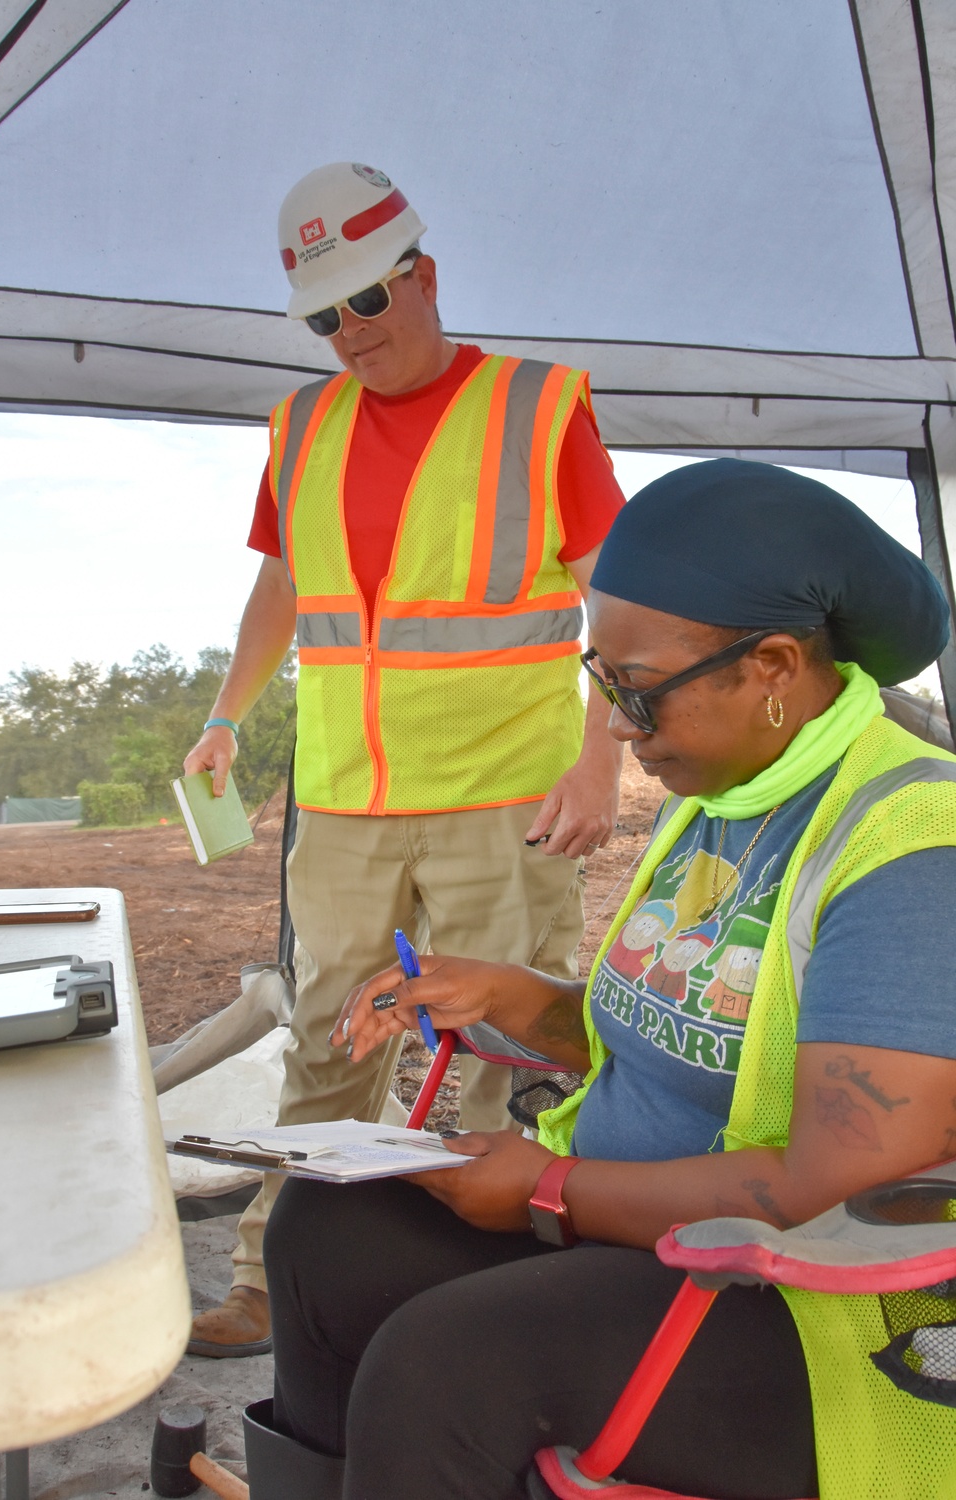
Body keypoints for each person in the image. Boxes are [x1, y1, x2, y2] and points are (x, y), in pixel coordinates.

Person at [248, 459, 956, 1500]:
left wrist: (545, 1188)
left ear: (768, 666)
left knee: (447, 1365)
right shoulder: (721, 789)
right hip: (637, 1237)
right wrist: (514, 997)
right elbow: (688, 1037)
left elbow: (835, 1189)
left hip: (803, 1309)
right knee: (327, 1230)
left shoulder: (909, 845)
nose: (620, 725)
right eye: (603, 679)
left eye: (637, 690)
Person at [183, 161, 625, 1355]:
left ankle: (451, 1290)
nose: (350, 335)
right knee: (331, 1037)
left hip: (502, 798)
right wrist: (227, 713)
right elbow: (281, 579)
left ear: (423, 275)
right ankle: (280, 1288)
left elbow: (620, 597)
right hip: (343, 797)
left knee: (491, 1055)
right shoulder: (301, 423)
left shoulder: (538, 407)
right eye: (324, 318)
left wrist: (602, 758)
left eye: (368, 303)